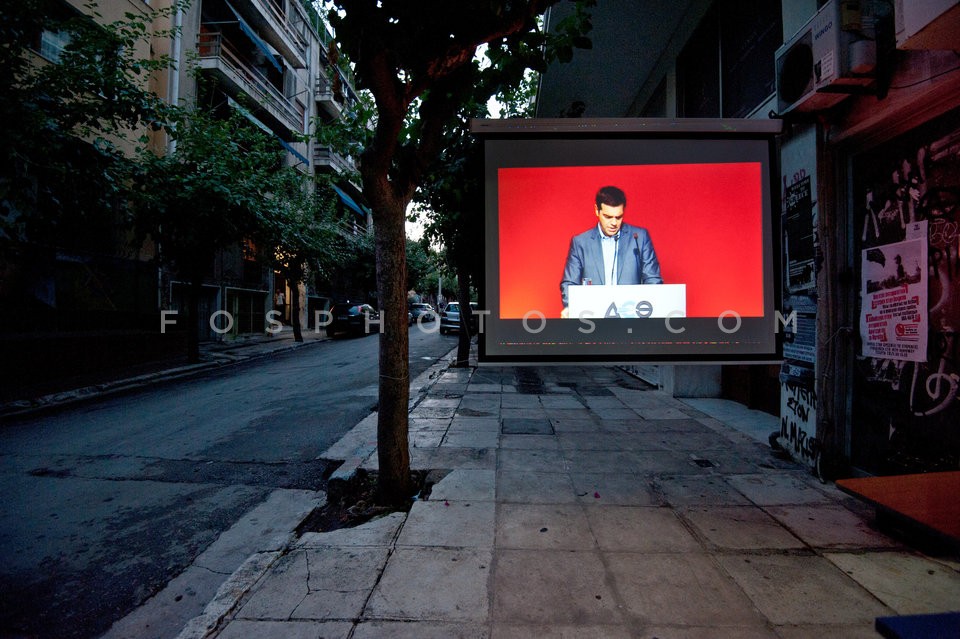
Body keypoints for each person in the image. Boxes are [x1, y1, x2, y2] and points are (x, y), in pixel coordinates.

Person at [560, 185, 662, 317]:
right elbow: (569, 283)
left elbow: (653, 280)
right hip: (593, 319)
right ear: (597, 210)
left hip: (632, 318)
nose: (614, 223)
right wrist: (572, 308)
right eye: (608, 217)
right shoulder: (580, 242)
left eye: (619, 217)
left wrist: (648, 311)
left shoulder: (640, 237)